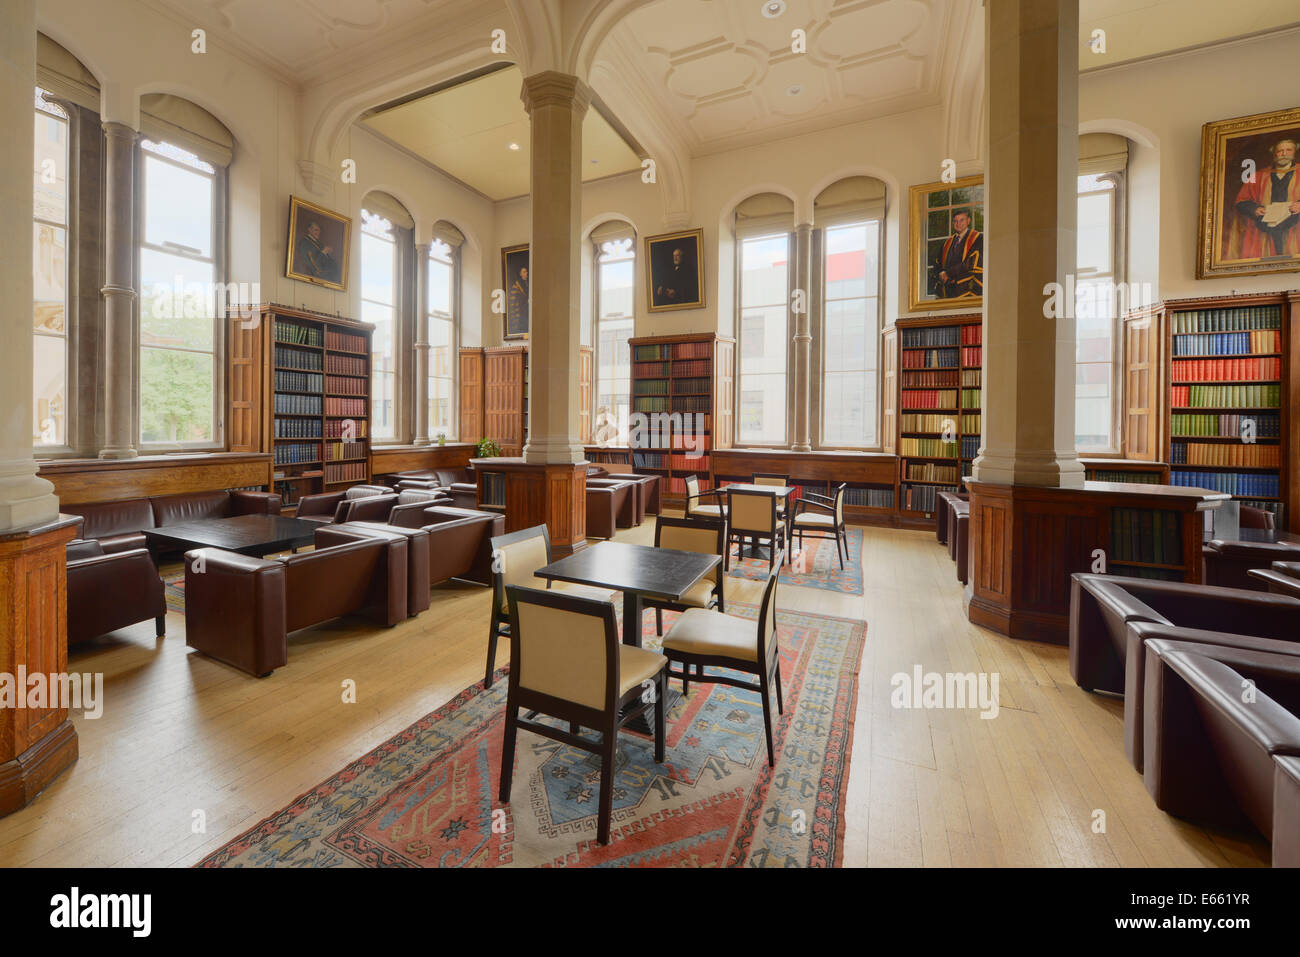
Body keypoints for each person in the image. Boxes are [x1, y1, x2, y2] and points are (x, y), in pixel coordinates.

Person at [1233, 138, 1300, 260]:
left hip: (1295, 231)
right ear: (1274, 153)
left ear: (1295, 151)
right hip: (1264, 233)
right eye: (1280, 151)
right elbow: (1241, 202)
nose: (1284, 154)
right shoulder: (1258, 175)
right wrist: (1255, 209)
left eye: (1288, 150)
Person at [933, 209, 983, 299]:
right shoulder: (947, 243)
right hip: (949, 292)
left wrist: (948, 273)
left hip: (968, 292)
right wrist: (941, 274)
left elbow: (971, 263)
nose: (958, 224)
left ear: (968, 221)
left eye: (961, 220)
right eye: (955, 221)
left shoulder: (978, 238)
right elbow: (937, 264)